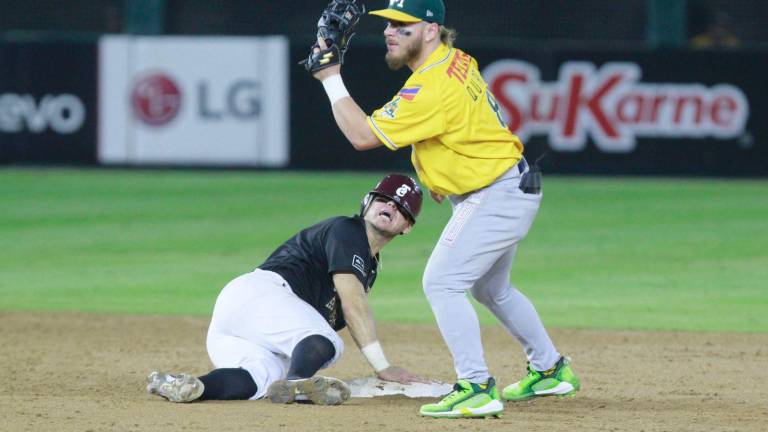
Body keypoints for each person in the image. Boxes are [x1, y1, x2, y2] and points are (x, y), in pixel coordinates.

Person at [308, 0, 580, 419]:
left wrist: (330, 79)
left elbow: (362, 136)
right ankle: (549, 369)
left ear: (431, 29)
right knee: (492, 289)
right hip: (506, 183)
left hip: (495, 192)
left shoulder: (430, 87)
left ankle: (475, 386)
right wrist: (440, 174)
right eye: (388, 24)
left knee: (442, 282)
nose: (390, 31)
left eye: (403, 25)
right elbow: (462, 122)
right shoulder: (455, 60)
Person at [146, 174, 427, 405]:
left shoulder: (370, 265)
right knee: (325, 341)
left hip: (239, 319)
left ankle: (192, 386)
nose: (389, 207)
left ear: (408, 227)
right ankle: (297, 385)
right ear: (367, 203)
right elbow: (352, 303)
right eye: (383, 199)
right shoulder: (348, 230)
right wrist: (383, 366)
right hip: (262, 294)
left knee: (262, 377)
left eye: (401, 207)